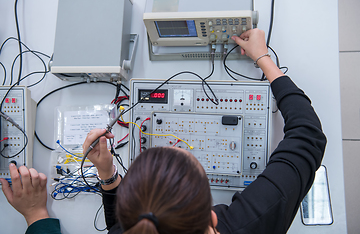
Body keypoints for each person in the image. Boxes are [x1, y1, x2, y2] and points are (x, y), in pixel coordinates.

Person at [0, 28, 327, 234]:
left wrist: (106, 174)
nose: (181, 148)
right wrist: (263, 58)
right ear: (212, 219)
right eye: (186, 156)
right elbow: (308, 135)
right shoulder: (249, 224)